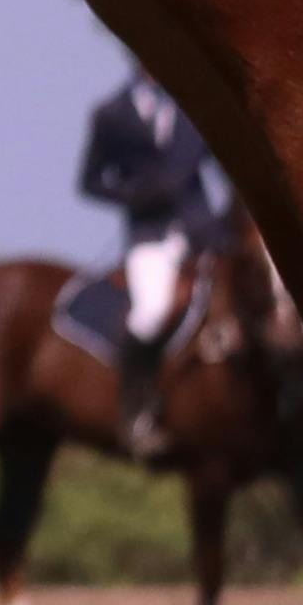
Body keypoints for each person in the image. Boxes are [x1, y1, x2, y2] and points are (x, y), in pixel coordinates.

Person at [73, 68, 224, 457]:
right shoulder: (111, 114)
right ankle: (137, 412)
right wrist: (135, 195)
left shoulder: (198, 103)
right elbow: (89, 183)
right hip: (151, 235)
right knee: (152, 313)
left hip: (204, 230)